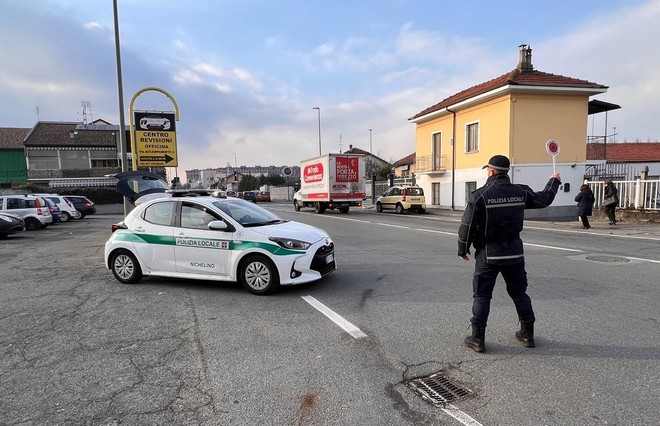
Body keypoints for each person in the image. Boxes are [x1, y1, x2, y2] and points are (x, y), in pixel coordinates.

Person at [458, 155, 561, 353]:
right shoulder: (520, 191)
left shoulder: (480, 195)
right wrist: (553, 181)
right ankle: (527, 334)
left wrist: (463, 248)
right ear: (506, 171)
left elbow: (467, 226)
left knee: (482, 296)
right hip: (514, 254)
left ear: (490, 171)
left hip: (488, 254)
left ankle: (477, 339)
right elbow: (543, 199)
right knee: (519, 293)